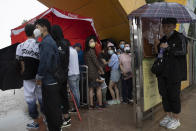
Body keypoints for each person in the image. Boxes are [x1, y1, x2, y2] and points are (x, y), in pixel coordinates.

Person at [155, 18, 187, 130]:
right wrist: (158, 47)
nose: (165, 28)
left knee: (174, 96)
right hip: (163, 72)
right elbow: (160, 55)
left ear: (174, 26)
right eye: (164, 26)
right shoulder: (162, 39)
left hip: (175, 72)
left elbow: (183, 51)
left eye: (168, 26)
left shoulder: (180, 37)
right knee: (164, 95)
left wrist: (168, 48)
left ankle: (176, 119)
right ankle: (168, 116)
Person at [34, 18, 63, 131]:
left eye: (37, 27)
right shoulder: (49, 41)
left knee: (51, 109)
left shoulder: (46, 42)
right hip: (53, 80)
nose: (36, 30)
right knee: (54, 107)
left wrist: (39, 76)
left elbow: (44, 62)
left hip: (49, 81)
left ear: (44, 27)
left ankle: (55, 128)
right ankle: (57, 127)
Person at [16, 24, 43, 130]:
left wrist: (23, 72)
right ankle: (45, 118)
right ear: (34, 32)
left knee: (30, 99)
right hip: (39, 76)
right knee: (41, 97)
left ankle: (35, 122)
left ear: (25, 33)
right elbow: (42, 61)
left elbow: (20, 62)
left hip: (27, 77)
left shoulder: (20, 46)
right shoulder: (39, 45)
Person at [50, 25, 71, 128]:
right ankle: (67, 117)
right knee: (64, 97)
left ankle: (64, 119)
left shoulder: (53, 44)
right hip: (64, 74)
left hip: (56, 76)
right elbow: (66, 61)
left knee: (58, 98)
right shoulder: (66, 43)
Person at [84, 35, 105, 109]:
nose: (93, 43)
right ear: (88, 43)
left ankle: (91, 105)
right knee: (98, 88)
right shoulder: (91, 51)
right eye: (91, 41)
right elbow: (95, 62)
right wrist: (101, 70)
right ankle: (100, 105)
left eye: (93, 41)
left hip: (88, 73)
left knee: (91, 89)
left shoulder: (86, 51)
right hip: (94, 73)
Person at [68, 42, 80, 112]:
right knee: (77, 91)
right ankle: (77, 106)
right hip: (77, 73)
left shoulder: (68, 51)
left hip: (71, 74)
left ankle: (77, 107)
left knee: (74, 91)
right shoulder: (74, 51)